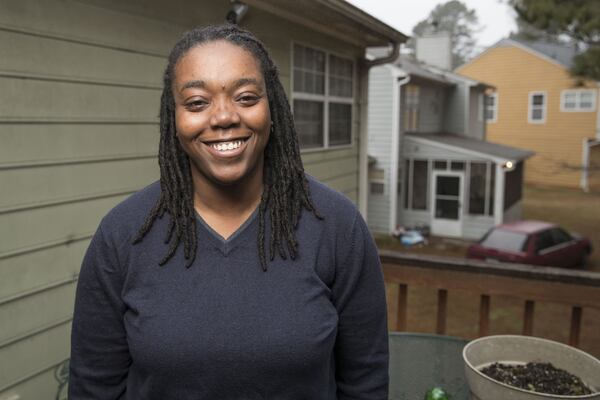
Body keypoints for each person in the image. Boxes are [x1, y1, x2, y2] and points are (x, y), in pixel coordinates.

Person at [69, 24, 388, 399]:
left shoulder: (336, 226)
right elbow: (93, 389)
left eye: (247, 97)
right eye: (197, 102)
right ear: (174, 118)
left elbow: (365, 383)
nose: (223, 117)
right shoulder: (123, 235)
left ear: (274, 109)